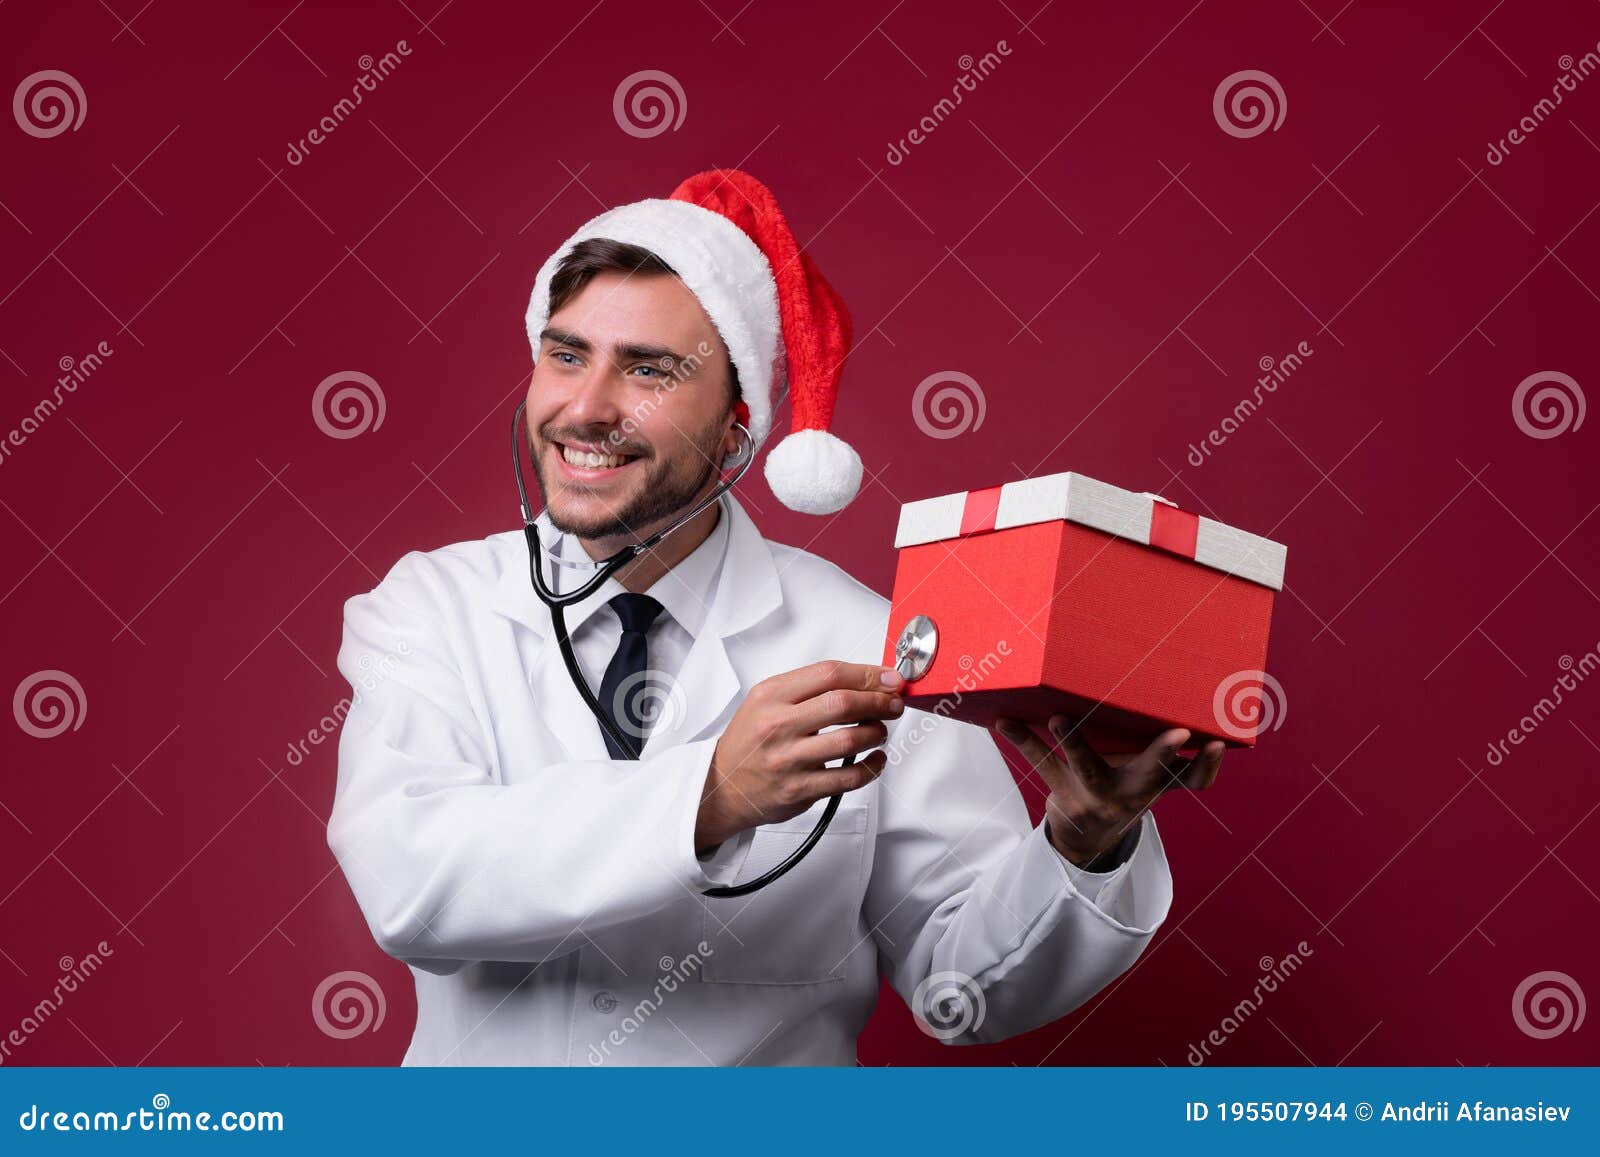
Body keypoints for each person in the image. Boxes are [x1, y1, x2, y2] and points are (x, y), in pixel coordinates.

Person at [326, 169, 1226, 1066]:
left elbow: (966, 987)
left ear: (736, 424)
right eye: (566, 356)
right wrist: (713, 794)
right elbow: (411, 883)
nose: (586, 408)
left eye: (648, 368)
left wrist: (1084, 839)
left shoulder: (877, 646)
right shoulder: (429, 609)